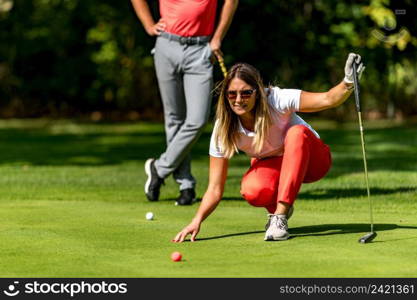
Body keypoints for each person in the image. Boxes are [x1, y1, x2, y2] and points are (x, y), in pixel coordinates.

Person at [173, 53, 365, 242]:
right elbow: (215, 188)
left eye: (246, 93)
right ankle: (280, 211)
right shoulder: (223, 128)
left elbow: (328, 99)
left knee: (296, 133)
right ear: (225, 96)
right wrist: (196, 220)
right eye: (232, 94)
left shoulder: (277, 99)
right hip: (279, 167)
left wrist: (348, 81)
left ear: (258, 91)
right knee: (252, 188)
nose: (238, 100)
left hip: (314, 161)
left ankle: (280, 218)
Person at [131, 0, 239, 205]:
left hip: (200, 50)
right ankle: (185, 183)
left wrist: (217, 38)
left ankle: (159, 168)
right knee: (174, 119)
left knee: (197, 120)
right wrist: (148, 25)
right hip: (167, 45)